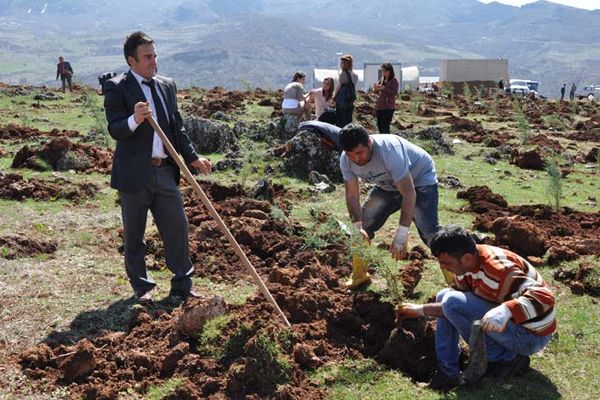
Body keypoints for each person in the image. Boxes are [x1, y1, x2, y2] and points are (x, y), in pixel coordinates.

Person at [103, 31, 212, 303]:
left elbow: (178, 128)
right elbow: (115, 128)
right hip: (134, 173)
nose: (154, 61)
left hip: (164, 170)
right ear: (132, 60)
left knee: (177, 226)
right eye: (148, 57)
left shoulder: (166, 86)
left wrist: (193, 158)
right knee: (135, 234)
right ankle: (142, 287)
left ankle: (182, 285)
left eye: (155, 55)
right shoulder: (118, 87)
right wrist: (135, 119)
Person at [397, 225, 556, 391]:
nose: (443, 268)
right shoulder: (467, 265)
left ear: (466, 258)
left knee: (450, 300)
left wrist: (505, 311)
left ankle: (505, 358)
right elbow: (453, 308)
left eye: (446, 263)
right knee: (444, 296)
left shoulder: (499, 269)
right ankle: (447, 372)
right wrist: (419, 310)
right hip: (513, 326)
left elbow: (545, 297)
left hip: (530, 335)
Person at [339, 123, 441, 288]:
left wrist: (401, 234)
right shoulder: (346, 161)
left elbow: (409, 194)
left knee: (430, 232)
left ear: (369, 143)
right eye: (351, 154)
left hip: (419, 180)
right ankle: (359, 276)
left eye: (359, 152)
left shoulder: (389, 151)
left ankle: (460, 280)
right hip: (387, 184)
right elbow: (352, 196)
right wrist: (357, 226)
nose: (356, 159)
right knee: (362, 228)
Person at [333, 54, 358, 128]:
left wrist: (334, 97)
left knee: (341, 119)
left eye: (342, 63)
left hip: (342, 100)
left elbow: (338, 87)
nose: (341, 64)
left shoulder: (343, 74)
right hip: (350, 100)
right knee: (348, 119)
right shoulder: (355, 76)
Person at [373, 63, 400, 133]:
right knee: (380, 126)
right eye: (382, 71)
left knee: (385, 127)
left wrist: (384, 88)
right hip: (380, 106)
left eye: (385, 71)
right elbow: (377, 91)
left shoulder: (394, 80)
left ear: (390, 71)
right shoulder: (382, 79)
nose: (383, 73)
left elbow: (394, 92)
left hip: (388, 106)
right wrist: (376, 88)